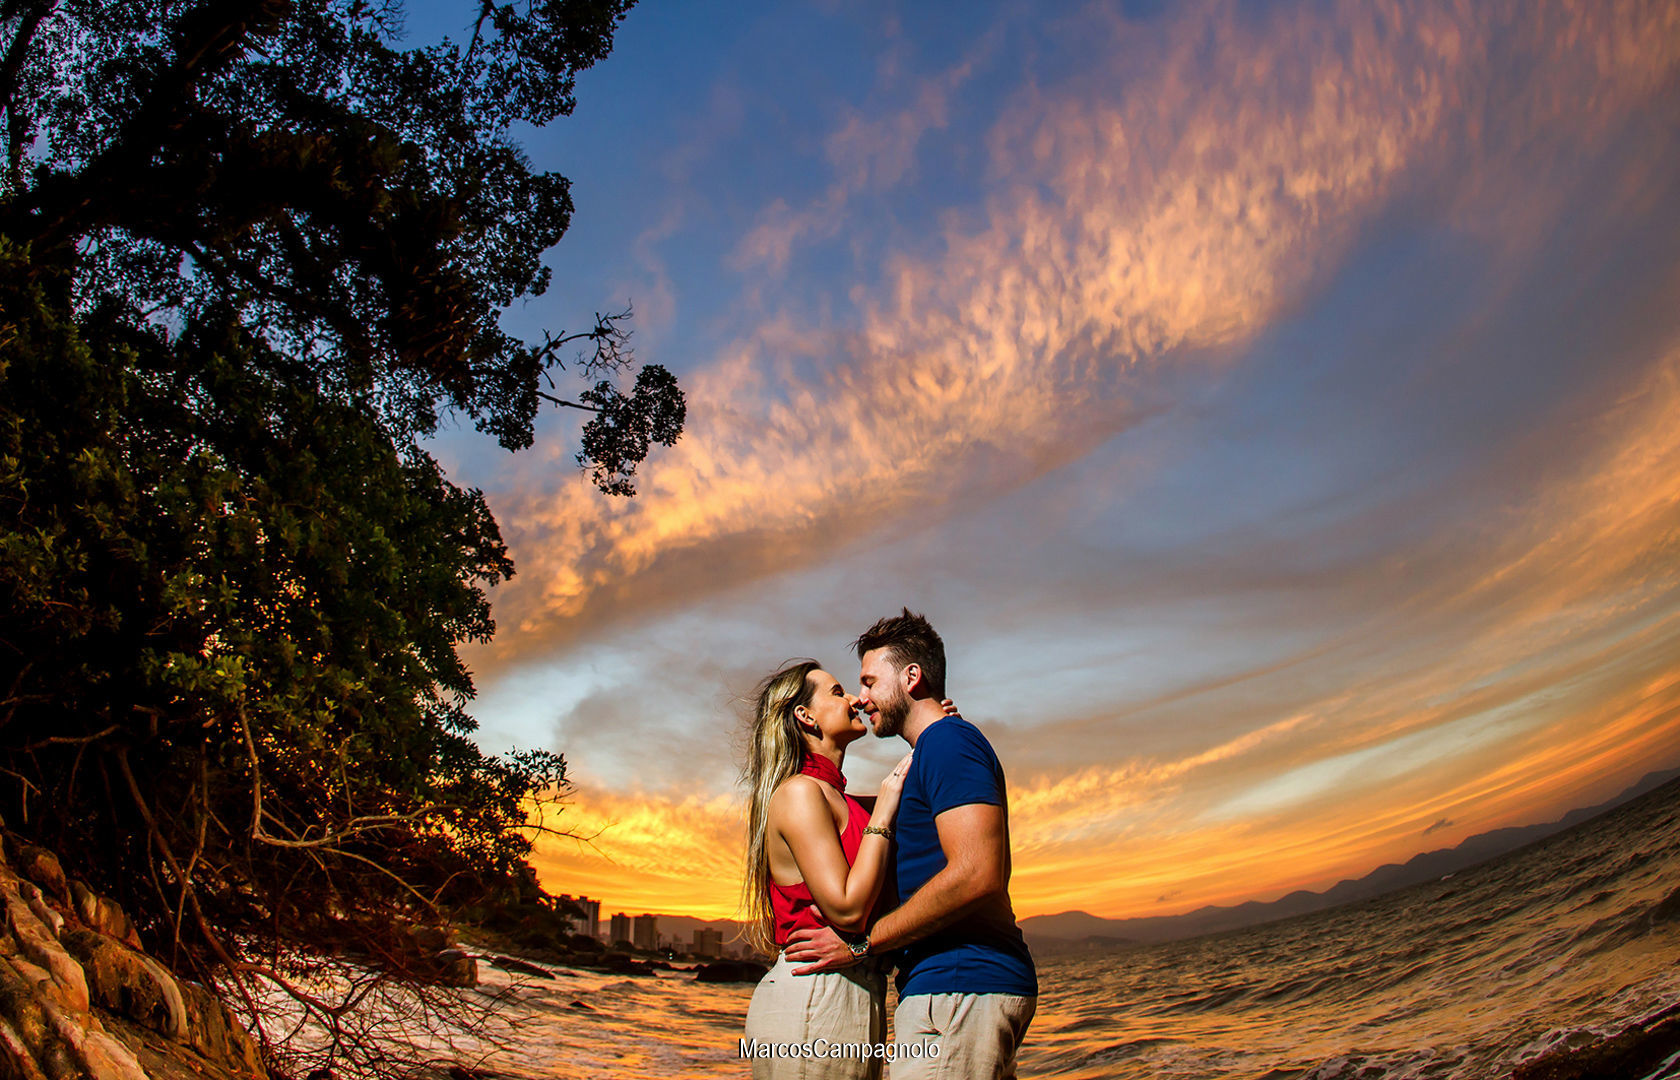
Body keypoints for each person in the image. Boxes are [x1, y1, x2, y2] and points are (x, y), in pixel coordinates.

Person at [784, 610, 1038, 1079]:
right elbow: (853, 814)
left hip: (959, 986)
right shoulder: (933, 752)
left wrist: (861, 946)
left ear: (911, 677)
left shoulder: (947, 743)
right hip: (953, 990)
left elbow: (977, 875)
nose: (861, 698)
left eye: (869, 682)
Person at [740, 659, 914, 1079]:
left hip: (854, 996)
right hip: (815, 995)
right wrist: (884, 810)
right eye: (838, 692)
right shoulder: (799, 794)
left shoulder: (843, 801)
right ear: (806, 716)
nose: (854, 699)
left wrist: (938, 726)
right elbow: (848, 909)